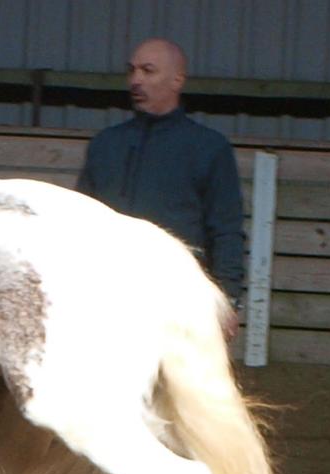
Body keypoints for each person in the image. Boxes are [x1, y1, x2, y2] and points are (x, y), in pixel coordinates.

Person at [77, 38, 245, 312]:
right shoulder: (105, 145)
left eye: (148, 70)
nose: (135, 80)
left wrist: (228, 300)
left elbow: (225, 230)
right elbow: (80, 222)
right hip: (106, 296)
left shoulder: (209, 148)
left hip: (177, 299)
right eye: (131, 70)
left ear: (177, 81)